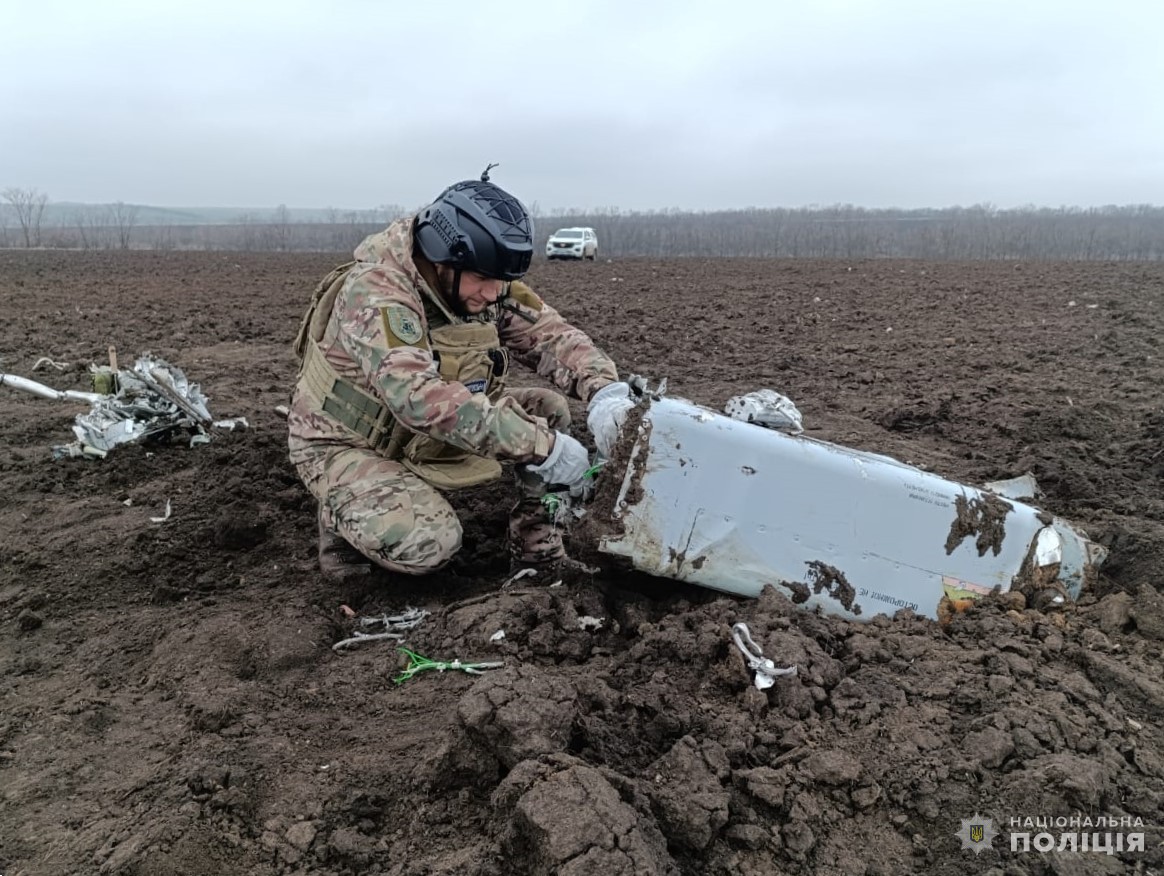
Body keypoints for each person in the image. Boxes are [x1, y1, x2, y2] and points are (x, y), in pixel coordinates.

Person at [287, 168, 636, 582]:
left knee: (550, 409)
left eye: (500, 282)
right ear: (442, 256)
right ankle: (341, 516)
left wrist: (605, 391)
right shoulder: (377, 290)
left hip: (416, 431)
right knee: (430, 542)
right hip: (349, 441)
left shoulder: (474, 278)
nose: (493, 293)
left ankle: (537, 552)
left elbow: (548, 333)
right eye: (484, 280)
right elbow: (417, 398)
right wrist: (541, 446)